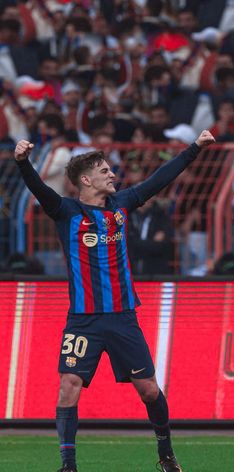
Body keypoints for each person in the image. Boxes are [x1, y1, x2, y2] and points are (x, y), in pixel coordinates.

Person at [14, 129, 215, 472]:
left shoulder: (122, 205)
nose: (113, 175)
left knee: (149, 390)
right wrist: (22, 162)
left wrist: (195, 147)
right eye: (106, 171)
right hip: (83, 320)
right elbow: (40, 190)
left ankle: (166, 453)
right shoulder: (65, 211)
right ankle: (68, 465)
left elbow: (159, 180)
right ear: (87, 180)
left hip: (123, 317)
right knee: (68, 386)